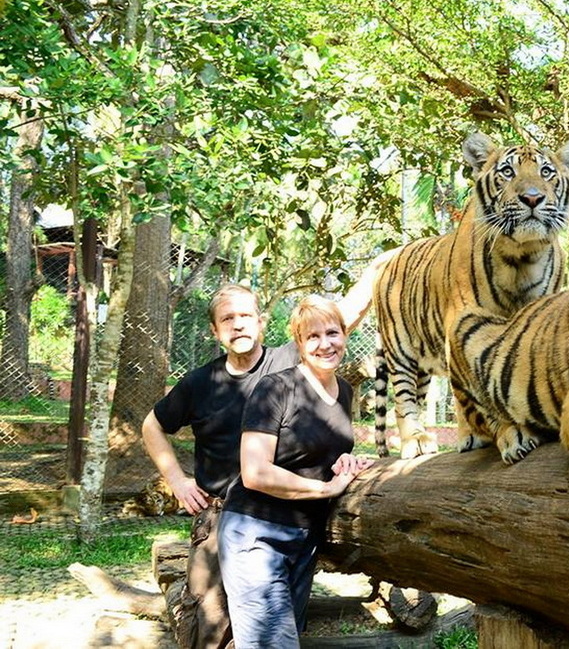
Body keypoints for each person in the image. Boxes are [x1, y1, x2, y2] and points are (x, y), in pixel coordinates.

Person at [141, 253, 392, 649]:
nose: (238, 324)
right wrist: (176, 479)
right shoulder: (201, 382)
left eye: (246, 315)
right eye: (228, 319)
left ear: (262, 322)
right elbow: (151, 426)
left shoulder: (289, 360)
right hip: (227, 513)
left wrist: (384, 264)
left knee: (279, 630)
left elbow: (338, 317)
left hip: (294, 514)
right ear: (215, 330)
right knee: (209, 628)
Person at [217, 295, 373, 647]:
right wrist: (326, 490)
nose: (324, 344)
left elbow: (319, 452)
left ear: (345, 335)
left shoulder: (344, 391)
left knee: (283, 639)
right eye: (312, 337)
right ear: (299, 343)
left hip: (305, 537)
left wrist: (347, 462)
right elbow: (255, 472)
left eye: (332, 332)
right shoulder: (276, 387)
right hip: (256, 534)